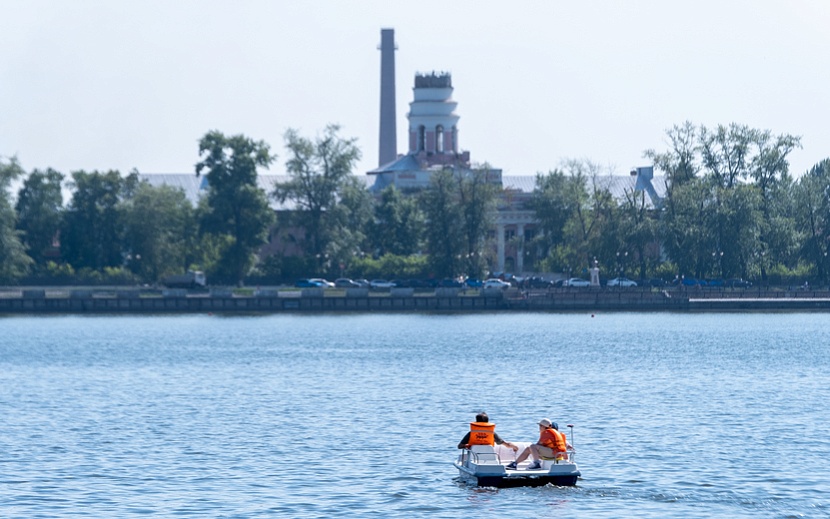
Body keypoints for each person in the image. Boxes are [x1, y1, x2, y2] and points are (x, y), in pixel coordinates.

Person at [506, 418, 572, 470]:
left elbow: (538, 445)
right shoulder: (557, 433)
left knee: (532, 447)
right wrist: (566, 461)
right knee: (528, 449)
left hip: (554, 454)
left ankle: (536, 464)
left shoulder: (546, 433)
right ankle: (515, 464)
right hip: (557, 454)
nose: (539, 428)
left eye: (540, 426)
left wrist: (533, 449)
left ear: (542, 426)